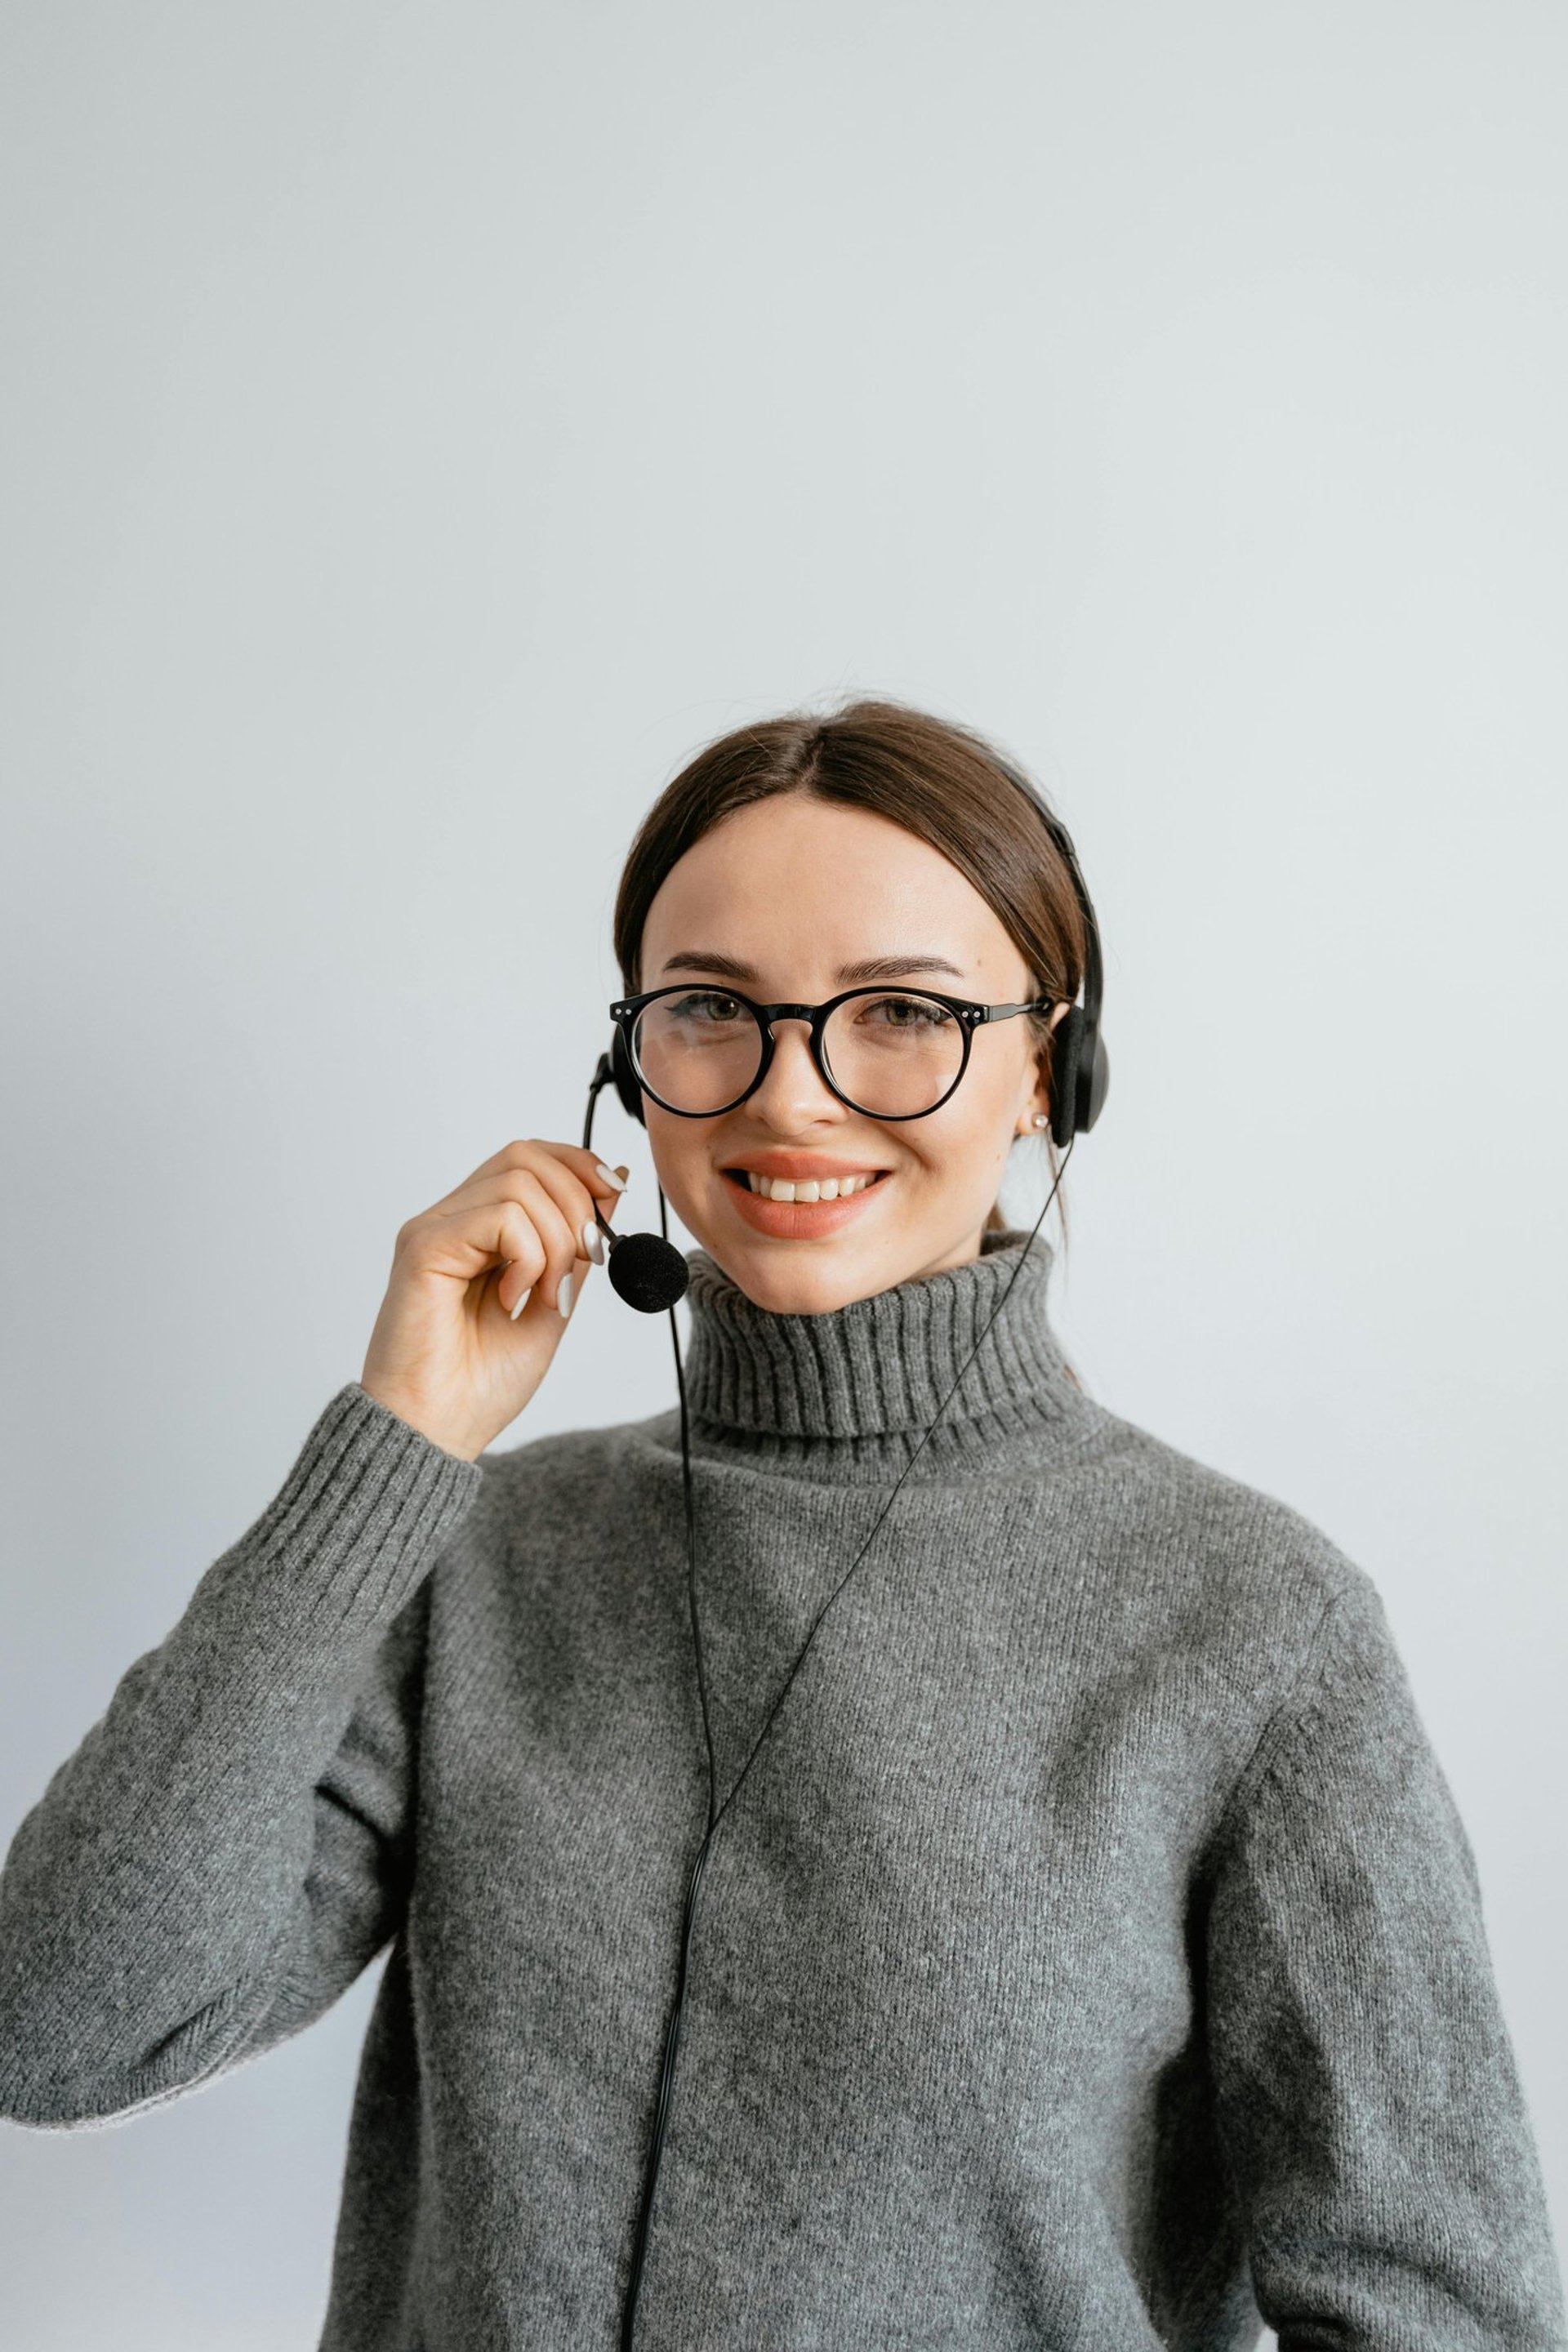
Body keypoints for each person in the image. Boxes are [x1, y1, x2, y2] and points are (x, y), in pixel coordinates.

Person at [0, 696, 1562, 2352]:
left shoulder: (1249, 1624)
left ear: (1050, 1069)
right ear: (630, 1066)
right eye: (710, 1011)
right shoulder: (476, 1559)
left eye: (900, 1012)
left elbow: (1441, 2310)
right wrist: (392, 1450)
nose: (793, 1094)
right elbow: (58, 2024)